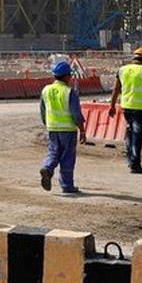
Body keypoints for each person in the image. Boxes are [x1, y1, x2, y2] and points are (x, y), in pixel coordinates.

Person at [38, 61, 87, 194]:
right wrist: (82, 130)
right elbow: (76, 114)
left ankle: (47, 168)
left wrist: (47, 123)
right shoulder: (69, 92)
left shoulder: (46, 90)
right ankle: (67, 185)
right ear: (66, 76)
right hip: (68, 130)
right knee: (67, 157)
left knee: (53, 152)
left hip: (53, 128)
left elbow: (43, 111)